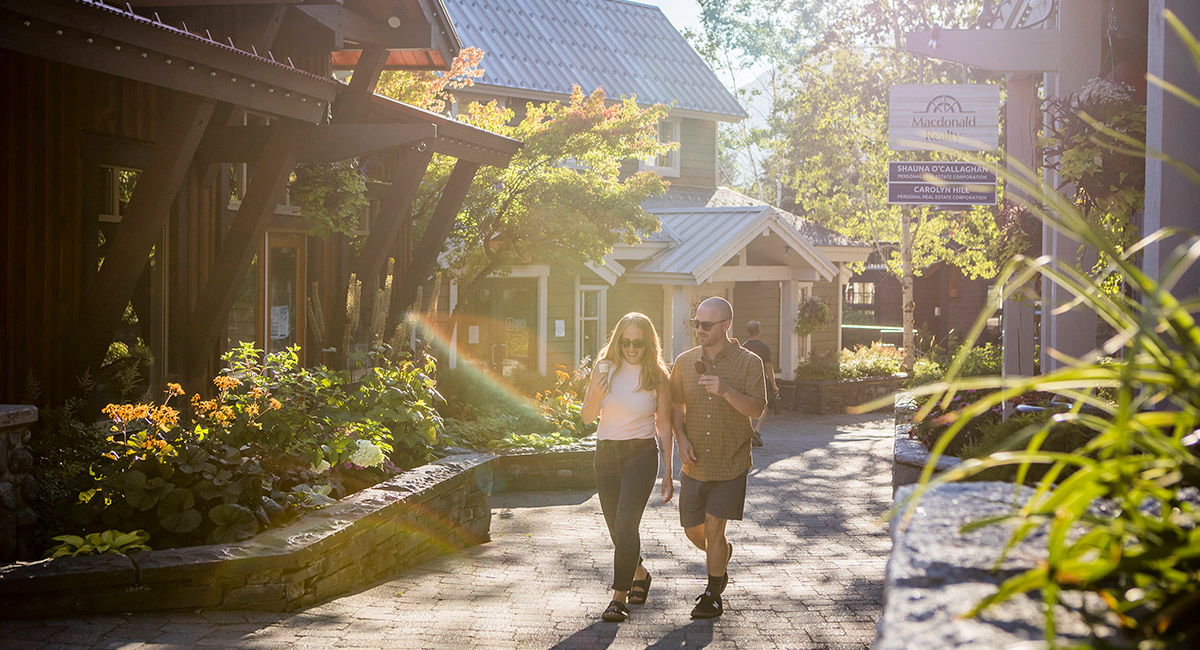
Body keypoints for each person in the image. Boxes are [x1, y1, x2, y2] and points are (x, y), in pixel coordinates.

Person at [669, 297, 766, 619]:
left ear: (726, 325)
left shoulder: (749, 362)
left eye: (706, 325)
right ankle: (720, 556)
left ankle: (712, 594)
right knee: (693, 531)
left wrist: (725, 391)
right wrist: (680, 439)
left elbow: (757, 409)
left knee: (713, 529)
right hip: (693, 464)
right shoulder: (683, 362)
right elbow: (675, 408)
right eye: (695, 323)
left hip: (730, 461)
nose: (699, 329)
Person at [580, 312, 675, 623]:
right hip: (605, 455)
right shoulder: (604, 368)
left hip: (641, 456)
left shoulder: (657, 376)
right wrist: (596, 391)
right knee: (616, 531)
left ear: (648, 344)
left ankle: (618, 598)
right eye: (626, 342)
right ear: (617, 341)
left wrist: (669, 472)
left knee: (625, 525)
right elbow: (586, 416)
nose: (632, 348)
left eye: (638, 342)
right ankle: (640, 573)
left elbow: (664, 426)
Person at [741, 321, 780, 447]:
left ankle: (750, 431)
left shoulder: (744, 346)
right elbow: (768, 367)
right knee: (764, 405)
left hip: (746, 379)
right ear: (759, 331)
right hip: (761, 380)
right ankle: (756, 431)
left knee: (747, 405)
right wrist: (774, 385)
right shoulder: (764, 347)